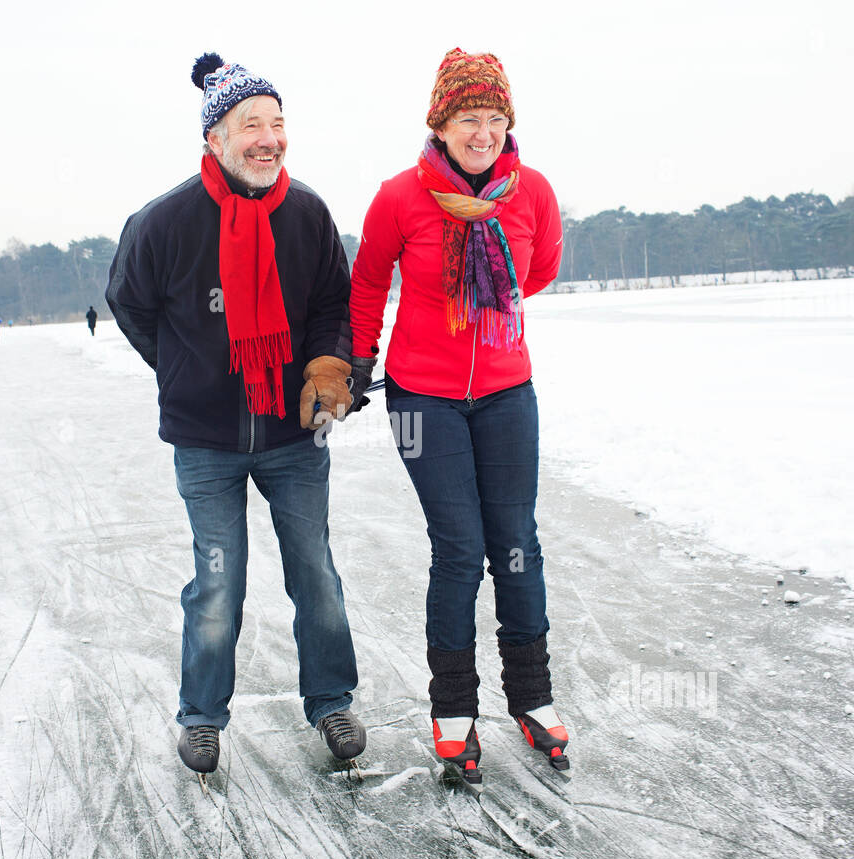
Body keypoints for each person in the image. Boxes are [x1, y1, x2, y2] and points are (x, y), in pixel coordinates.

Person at [106, 52, 363, 780]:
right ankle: (201, 717)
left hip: (292, 435)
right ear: (216, 137)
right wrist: (182, 367)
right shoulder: (165, 221)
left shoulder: (307, 212)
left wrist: (324, 363)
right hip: (207, 440)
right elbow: (129, 302)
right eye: (252, 124)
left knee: (315, 571)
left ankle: (331, 700)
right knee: (218, 581)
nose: (269, 139)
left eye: (278, 124)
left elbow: (330, 306)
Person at [348, 49, 568, 786]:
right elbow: (370, 281)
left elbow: (540, 272)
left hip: (507, 392)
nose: (484, 132)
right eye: (470, 118)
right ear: (440, 124)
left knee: (517, 543)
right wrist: (355, 360)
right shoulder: (400, 197)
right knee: (459, 546)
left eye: (496, 118)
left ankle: (532, 699)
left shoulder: (531, 192)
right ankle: (454, 711)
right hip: (422, 398)